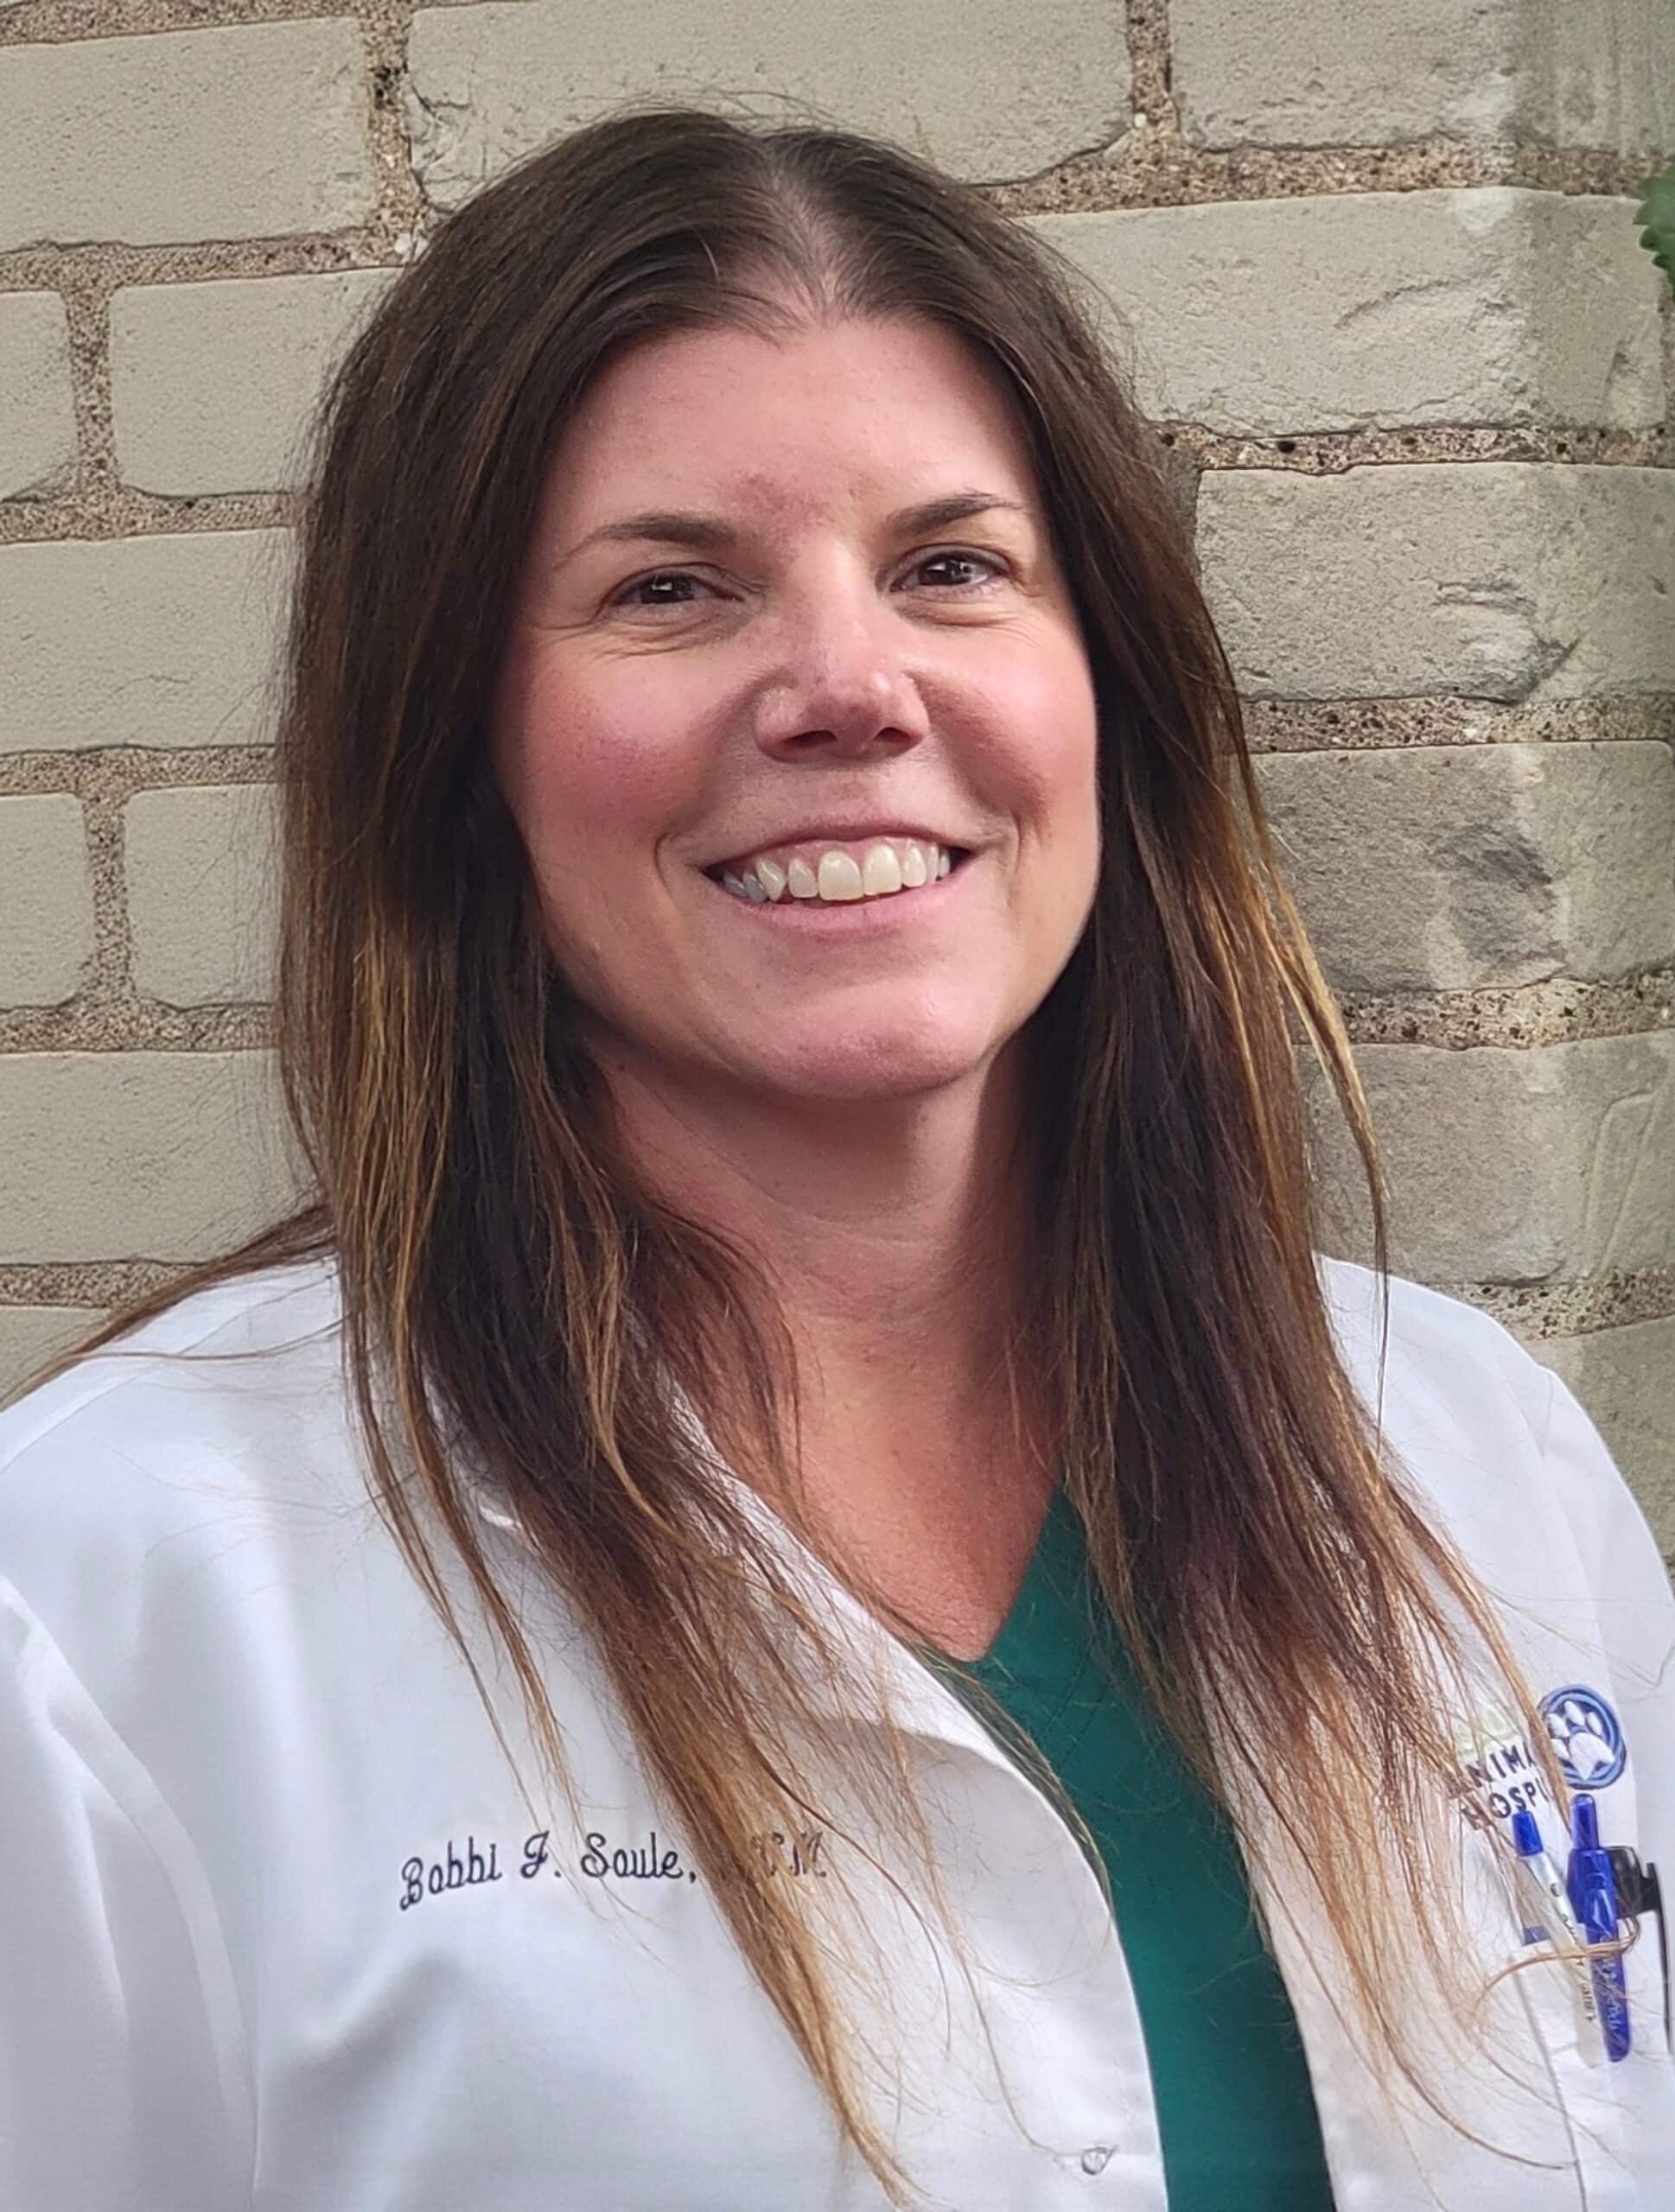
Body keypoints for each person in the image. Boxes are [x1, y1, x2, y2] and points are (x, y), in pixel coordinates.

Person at [1, 103, 1671, 2212]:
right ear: (460, 748)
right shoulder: (108, 1599)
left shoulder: (1471, 1457)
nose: (849, 686)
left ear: (1103, 687)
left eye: (952, 565)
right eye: (672, 587)